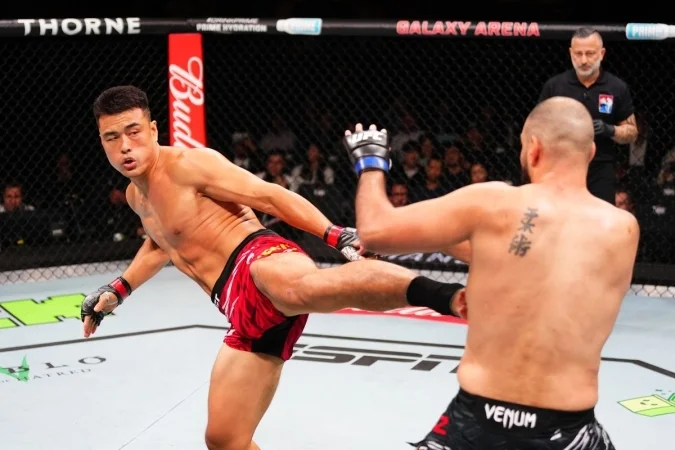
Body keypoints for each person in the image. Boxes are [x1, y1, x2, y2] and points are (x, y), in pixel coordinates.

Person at [80, 85, 468, 450]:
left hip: (255, 258)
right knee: (224, 439)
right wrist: (119, 289)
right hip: (238, 312)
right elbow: (161, 242)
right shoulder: (136, 196)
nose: (124, 146)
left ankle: (451, 297)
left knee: (303, 288)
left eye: (133, 132)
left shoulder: (188, 165)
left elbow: (269, 196)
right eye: (112, 137)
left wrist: (334, 235)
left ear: (152, 129)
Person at [342, 96, 639, 449]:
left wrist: (370, 161)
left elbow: (375, 231)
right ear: (590, 153)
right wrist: (438, 237)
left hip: (476, 423)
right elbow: (532, 259)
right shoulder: (622, 229)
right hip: (570, 432)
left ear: (533, 149)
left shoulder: (493, 203)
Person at [538, 27, 638, 204]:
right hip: (562, 166)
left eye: (590, 53)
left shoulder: (616, 87)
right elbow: (537, 127)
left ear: (602, 53)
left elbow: (632, 132)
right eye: (578, 54)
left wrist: (610, 130)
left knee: (600, 216)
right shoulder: (555, 86)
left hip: (601, 167)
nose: (583, 60)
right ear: (571, 53)